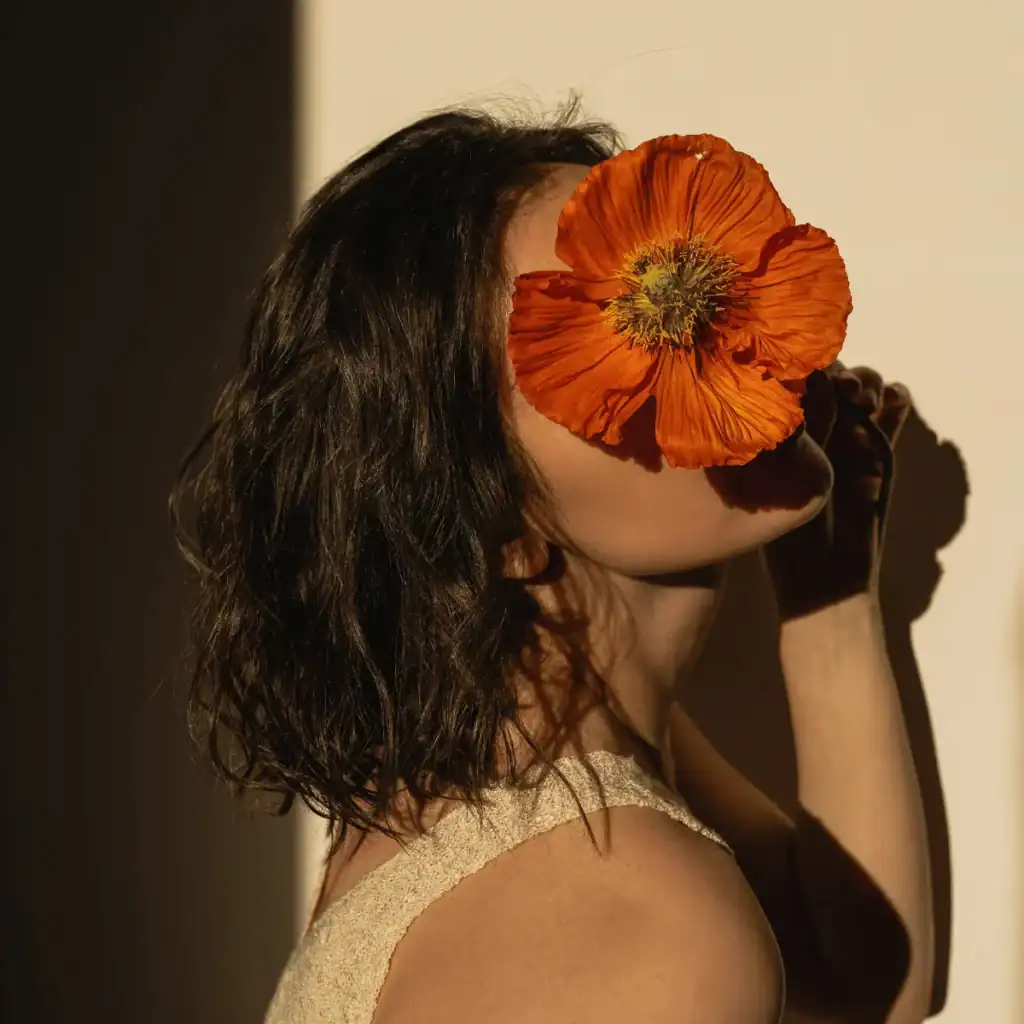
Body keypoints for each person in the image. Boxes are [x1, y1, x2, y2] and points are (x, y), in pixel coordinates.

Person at [170, 95, 934, 1024]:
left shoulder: (536, 769)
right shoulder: (631, 921)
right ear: (494, 523)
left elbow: (866, 984)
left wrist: (830, 592)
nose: (700, 315)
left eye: (675, 257)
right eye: (618, 325)